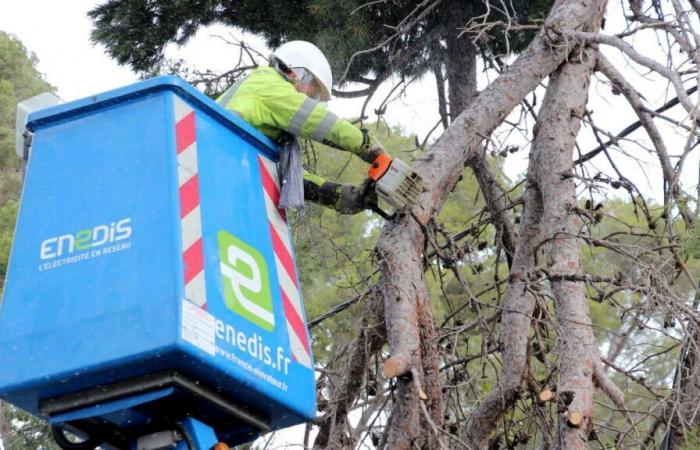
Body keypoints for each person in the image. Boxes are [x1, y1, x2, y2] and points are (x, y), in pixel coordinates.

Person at [217, 40, 417, 215]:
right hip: (218, 159)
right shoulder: (267, 82)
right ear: (298, 74)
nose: (309, 100)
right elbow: (318, 121)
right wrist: (366, 144)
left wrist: (343, 197)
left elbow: (288, 178)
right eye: (312, 93)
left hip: (225, 170)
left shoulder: (267, 131)